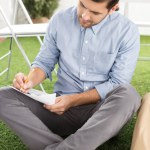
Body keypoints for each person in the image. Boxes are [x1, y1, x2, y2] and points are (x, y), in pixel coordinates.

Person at [0, 0, 141, 149]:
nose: (85, 16)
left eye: (95, 12)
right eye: (82, 5)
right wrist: (28, 81)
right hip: (59, 110)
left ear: (113, 8)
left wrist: (73, 100)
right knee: (3, 96)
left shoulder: (126, 30)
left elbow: (117, 82)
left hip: (102, 114)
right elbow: (44, 63)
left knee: (129, 94)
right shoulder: (60, 20)